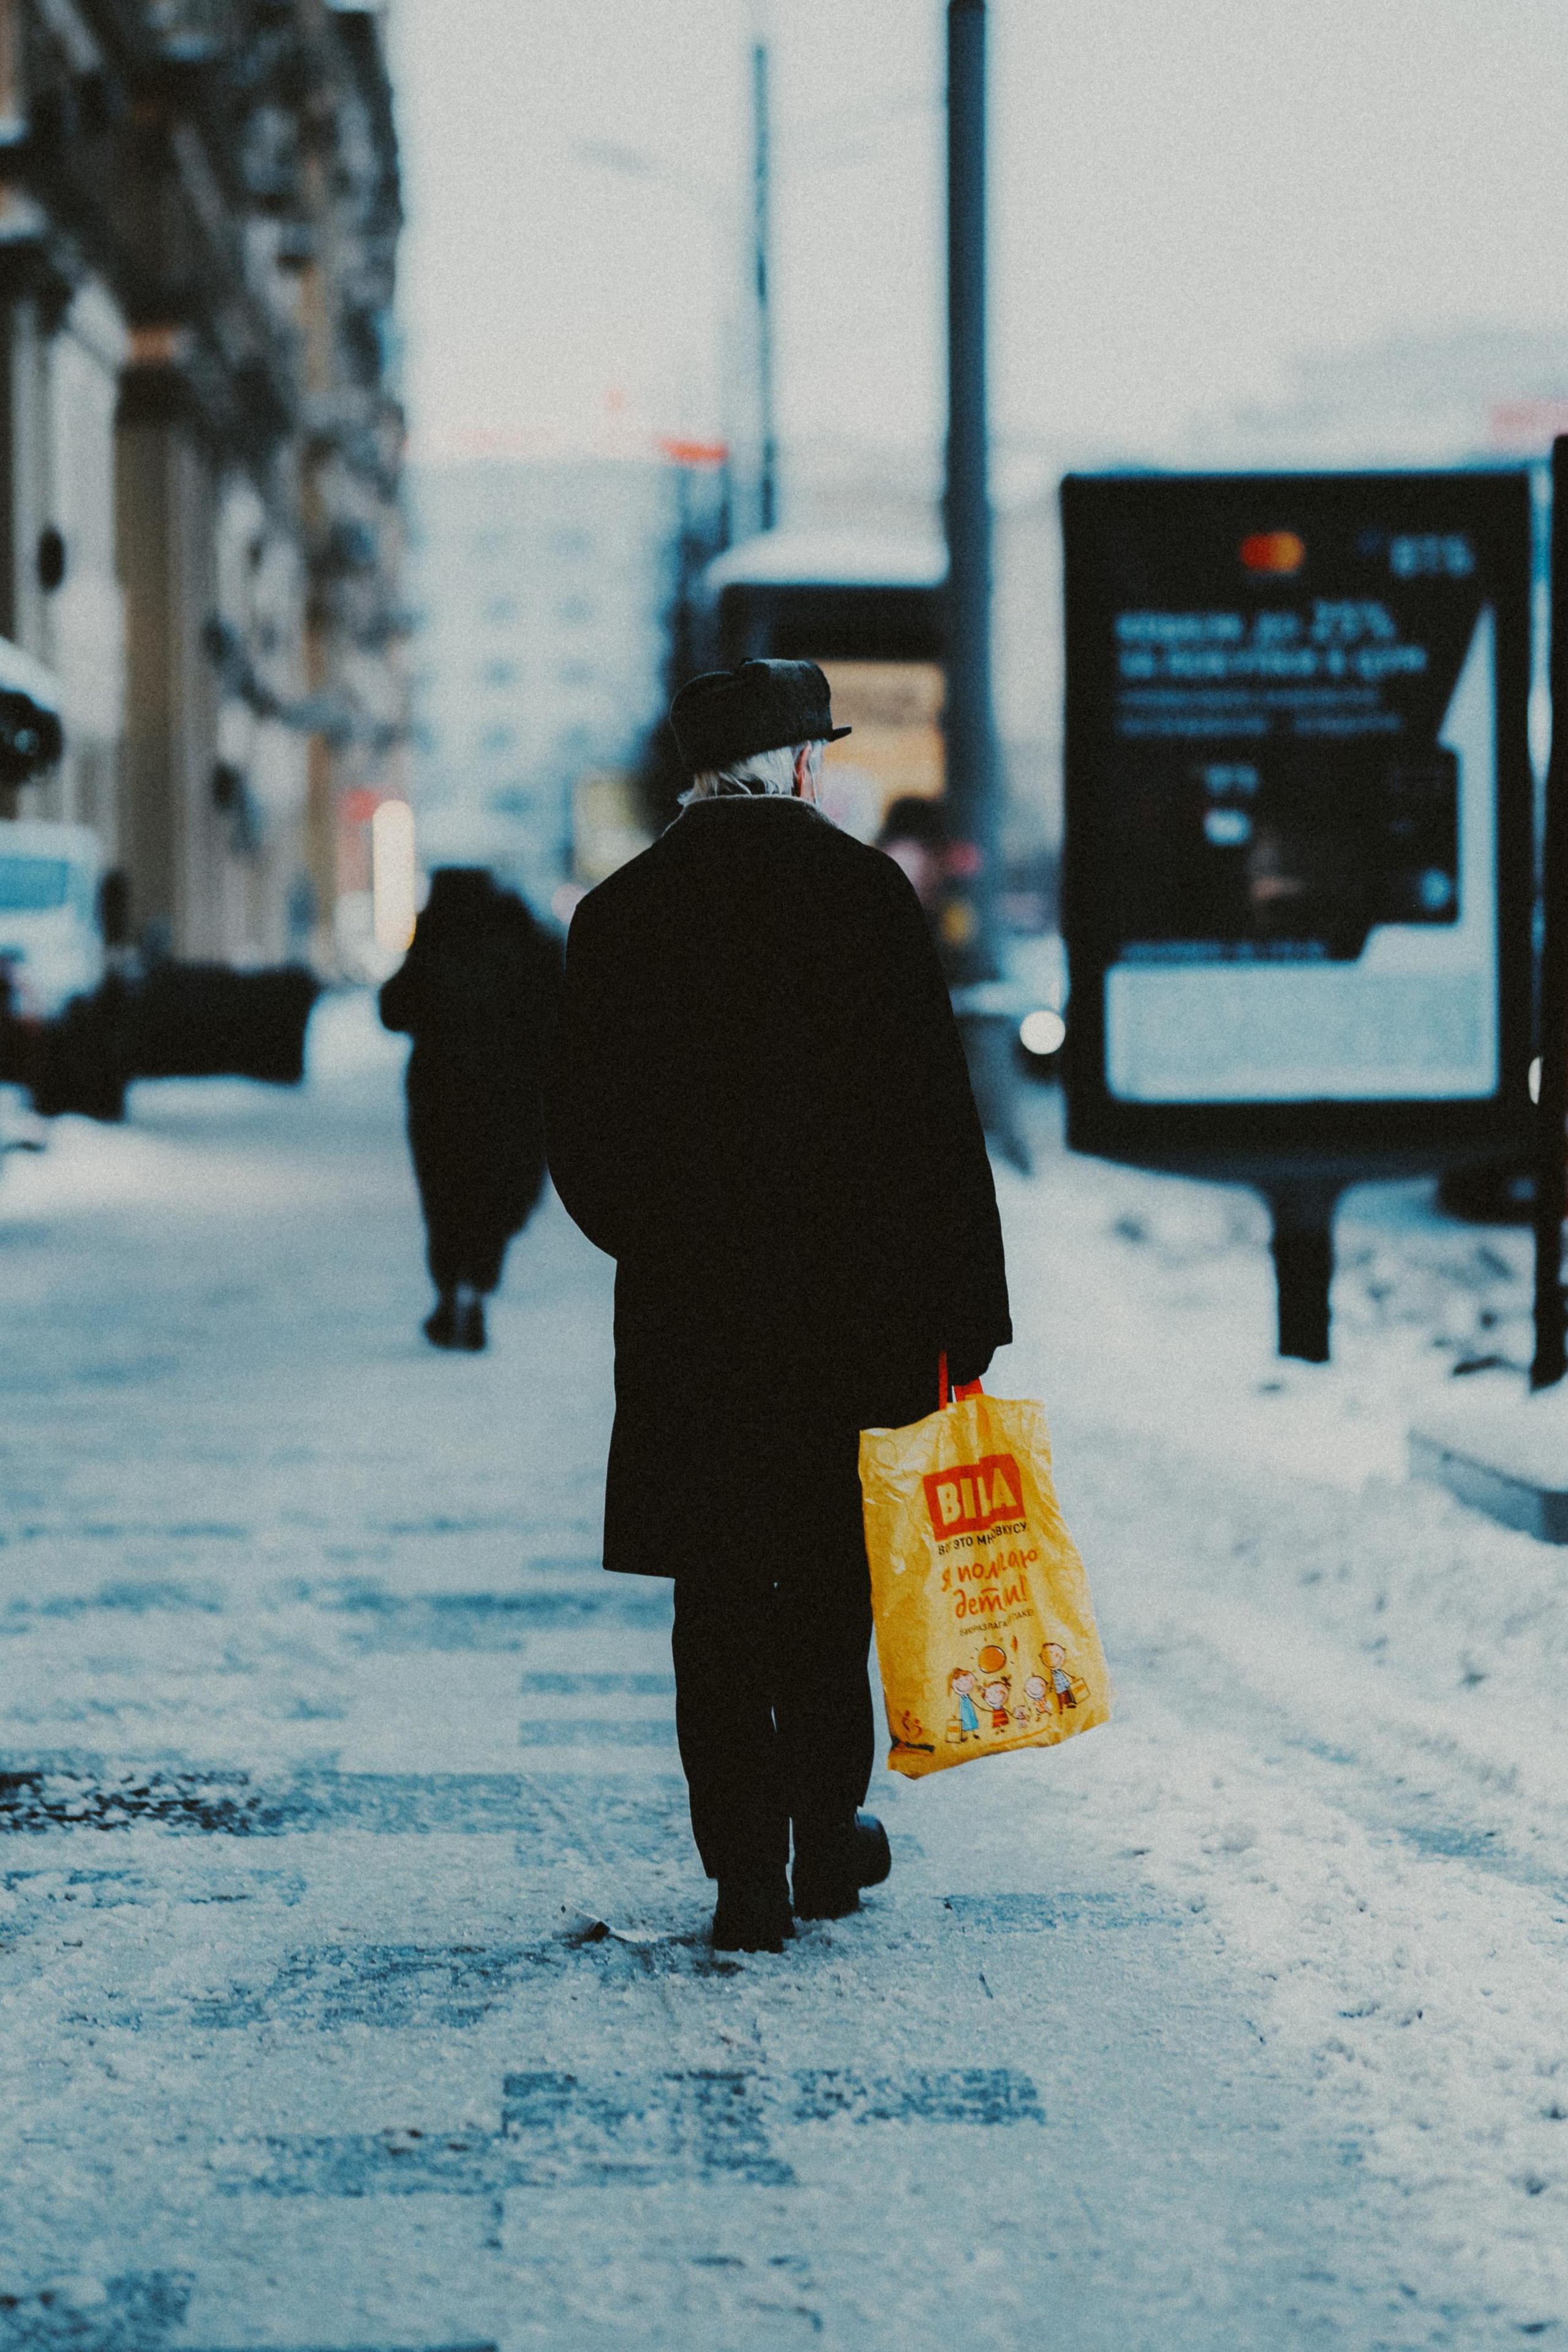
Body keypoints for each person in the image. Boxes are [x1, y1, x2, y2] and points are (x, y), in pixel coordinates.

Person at [547, 659, 1011, 1953]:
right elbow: (935, 1126)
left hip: (694, 1321)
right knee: (825, 1578)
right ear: (799, 764)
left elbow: (581, 1145)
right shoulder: (864, 898)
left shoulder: (622, 912)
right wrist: (962, 1312)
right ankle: (822, 1831)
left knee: (713, 1593)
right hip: (850, 1315)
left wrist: (666, 1241)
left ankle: (740, 1870)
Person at [379, 866, 562, 1351]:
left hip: (440, 1098)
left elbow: (393, 1010)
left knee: (445, 1201)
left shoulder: (436, 943)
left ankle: (448, 1295)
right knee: (498, 1200)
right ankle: (477, 1288)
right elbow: (561, 1014)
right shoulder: (529, 943)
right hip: (515, 1101)